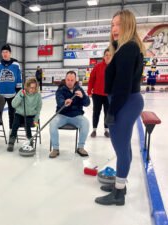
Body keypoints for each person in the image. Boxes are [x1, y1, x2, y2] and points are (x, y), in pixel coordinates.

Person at [95, 9, 145, 206]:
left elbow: (122, 85)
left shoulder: (128, 48)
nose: (114, 29)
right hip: (127, 101)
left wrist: (112, 111)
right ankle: (120, 185)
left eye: (119, 25)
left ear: (128, 25)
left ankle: (118, 194)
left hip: (124, 102)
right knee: (124, 148)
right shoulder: (127, 47)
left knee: (121, 150)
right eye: (112, 25)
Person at [49, 71, 90, 158]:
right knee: (52, 123)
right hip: (62, 115)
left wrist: (82, 97)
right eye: (68, 80)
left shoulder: (79, 89)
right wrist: (64, 102)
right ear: (65, 79)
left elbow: (87, 103)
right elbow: (59, 100)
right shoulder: (60, 89)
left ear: (75, 80)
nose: (70, 82)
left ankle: (80, 147)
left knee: (85, 123)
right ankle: (55, 149)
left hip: (76, 116)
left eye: (72, 80)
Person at [0, 44, 22, 130]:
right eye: (3, 52)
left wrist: (18, 92)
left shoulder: (16, 65)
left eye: (7, 52)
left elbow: (19, 79)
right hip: (0, 94)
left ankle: (12, 130)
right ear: (1, 53)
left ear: (10, 53)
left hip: (12, 94)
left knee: (12, 113)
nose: (5, 54)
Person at [7, 78, 42, 152]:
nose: (33, 89)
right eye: (31, 87)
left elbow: (38, 109)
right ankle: (12, 140)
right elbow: (13, 104)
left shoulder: (38, 95)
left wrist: (36, 120)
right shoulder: (21, 92)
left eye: (34, 88)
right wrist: (20, 96)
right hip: (20, 114)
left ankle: (30, 139)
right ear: (27, 86)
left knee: (27, 123)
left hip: (30, 116)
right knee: (15, 123)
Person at [87, 49, 111, 138]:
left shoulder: (114, 67)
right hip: (97, 94)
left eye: (110, 55)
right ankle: (94, 130)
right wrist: (89, 91)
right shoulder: (98, 66)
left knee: (107, 113)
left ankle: (106, 130)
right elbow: (91, 79)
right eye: (106, 55)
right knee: (96, 112)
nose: (108, 56)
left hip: (108, 95)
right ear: (103, 57)